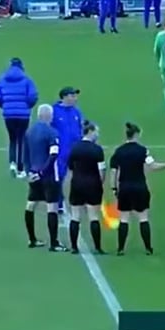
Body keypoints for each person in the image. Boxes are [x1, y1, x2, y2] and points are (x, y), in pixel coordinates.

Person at [108, 122, 165, 255]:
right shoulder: (143, 150)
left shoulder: (119, 151)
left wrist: (114, 188)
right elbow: (152, 166)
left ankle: (120, 248)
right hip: (140, 186)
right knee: (143, 218)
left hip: (124, 187)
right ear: (136, 134)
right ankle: (148, 248)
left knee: (124, 218)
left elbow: (113, 172)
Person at [23, 104, 66, 251]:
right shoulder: (52, 132)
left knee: (31, 205)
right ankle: (54, 243)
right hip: (49, 176)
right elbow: (53, 155)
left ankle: (32, 239)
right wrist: (42, 172)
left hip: (34, 174)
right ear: (48, 115)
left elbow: (25, 154)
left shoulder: (29, 131)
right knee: (52, 207)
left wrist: (30, 172)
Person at [0, 57, 38, 178]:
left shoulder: (2, 80)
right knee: (22, 140)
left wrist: (4, 105)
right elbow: (33, 96)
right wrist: (27, 106)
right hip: (23, 115)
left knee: (12, 139)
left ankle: (12, 163)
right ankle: (21, 168)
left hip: (9, 115)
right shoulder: (27, 80)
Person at [66, 121, 105, 254]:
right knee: (93, 216)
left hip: (77, 183)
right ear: (90, 131)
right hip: (93, 184)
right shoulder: (97, 149)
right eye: (96, 132)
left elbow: (70, 167)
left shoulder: (75, 148)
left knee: (75, 215)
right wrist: (101, 183)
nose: (97, 135)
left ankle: (74, 247)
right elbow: (101, 170)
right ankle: (98, 247)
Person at [52, 87, 86, 215]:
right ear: (65, 97)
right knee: (59, 177)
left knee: (80, 176)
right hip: (61, 151)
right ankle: (59, 203)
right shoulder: (54, 111)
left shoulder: (76, 112)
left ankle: (80, 201)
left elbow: (82, 127)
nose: (75, 98)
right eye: (72, 96)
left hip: (76, 150)